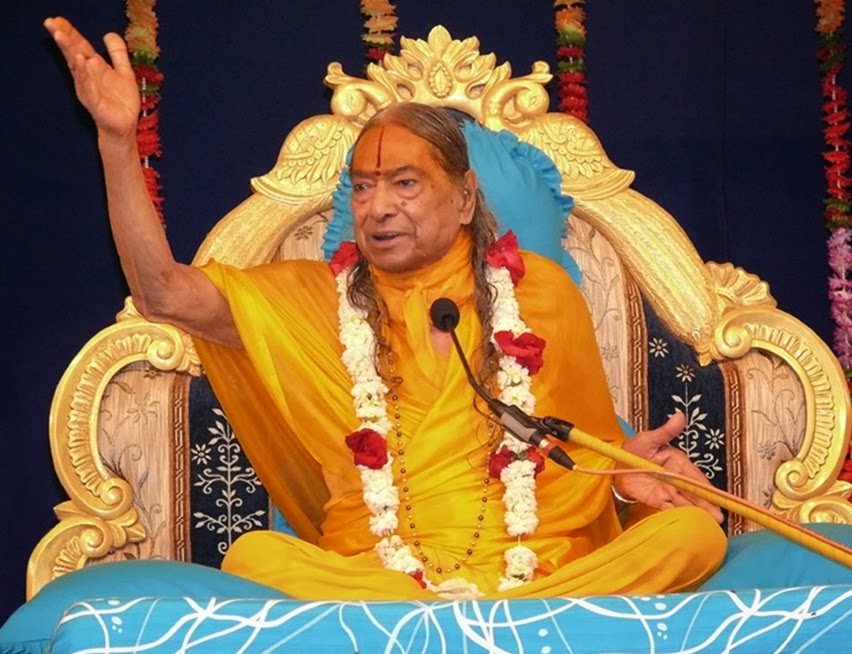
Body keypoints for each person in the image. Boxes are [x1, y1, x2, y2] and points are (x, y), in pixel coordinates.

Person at [44, 16, 726, 600]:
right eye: (364, 187)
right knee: (255, 555)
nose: (378, 207)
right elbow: (162, 292)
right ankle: (477, 623)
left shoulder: (541, 292)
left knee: (691, 536)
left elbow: (577, 464)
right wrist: (117, 143)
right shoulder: (314, 300)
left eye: (404, 183)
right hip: (379, 575)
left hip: (533, 569)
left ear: (465, 198)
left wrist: (623, 479)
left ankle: (467, 619)